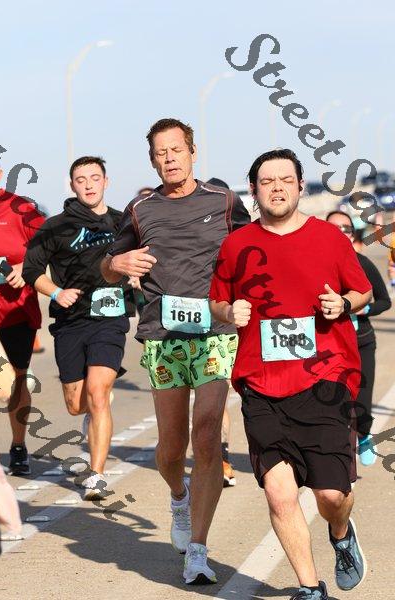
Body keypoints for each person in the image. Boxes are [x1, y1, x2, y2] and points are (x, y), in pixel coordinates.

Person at [209, 149, 372, 600]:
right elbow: (217, 299)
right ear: (254, 190)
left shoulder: (329, 238)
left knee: (331, 495)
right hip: (261, 382)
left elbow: (362, 290)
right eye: (267, 181)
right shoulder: (237, 245)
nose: (277, 187)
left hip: (325, 379)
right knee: (280, 494)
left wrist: (343, 303)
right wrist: (229, 311)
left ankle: (340, 532)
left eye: (285, 179)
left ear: (300, 186)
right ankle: (310, 587)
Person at [101, 118, 250, 584]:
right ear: (152, 161)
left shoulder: (223, 201)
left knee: (206, 435)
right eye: (160, 153)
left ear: (192, 152)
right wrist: (117, 262)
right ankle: (179, 497)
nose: (169, 159)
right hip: (163, 336)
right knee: (171, 448)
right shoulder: (140, 209)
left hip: (214, 331)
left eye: (176, 150)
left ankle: (198, 551)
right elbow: (106, 266)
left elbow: (254, 250)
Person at [23, 156, 131, 500]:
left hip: (110, 319)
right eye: (81, 179)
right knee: (75, 403)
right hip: (71, 321)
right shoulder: (54, 227)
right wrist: (57, 292)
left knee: (98, 394)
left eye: (94, 178)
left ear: (106, 181)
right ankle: (94, 409)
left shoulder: (124, 222)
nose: (88, 185)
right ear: (72, 185)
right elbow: (31, 270)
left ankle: (96, 475)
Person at [326, 211, 391, 466]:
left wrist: (365, 309)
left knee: (361, 407)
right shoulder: (314, 265)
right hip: (328, 345)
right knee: (333, 407)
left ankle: (364, 435)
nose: (341, 233)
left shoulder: (362, 263)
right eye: (334, 228)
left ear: (353, 235)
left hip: (361, 341)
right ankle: (339, 462)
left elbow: (384, 301)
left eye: (346, 229)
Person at [0, 152, 45, 476]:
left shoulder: (20, 208)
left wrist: (23, 267)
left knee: (16, 379)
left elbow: (47, 247)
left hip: (15, 309)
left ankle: (17, 445)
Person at [207, 177, 240, 487]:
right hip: (183, 327)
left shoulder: (237, 235)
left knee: (216, 394)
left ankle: (222, 458)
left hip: (221, 325)